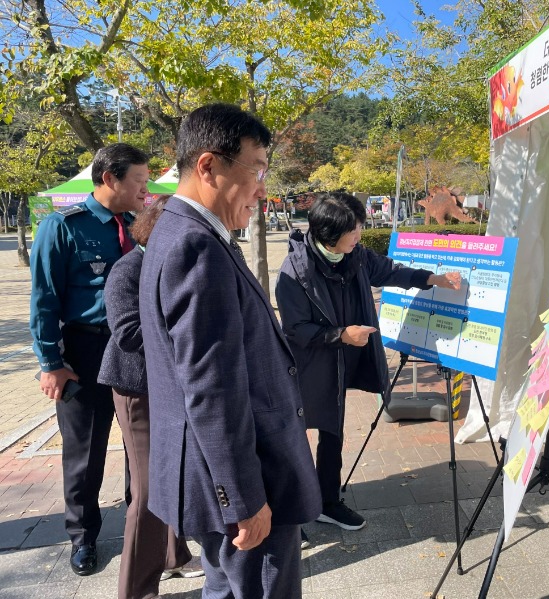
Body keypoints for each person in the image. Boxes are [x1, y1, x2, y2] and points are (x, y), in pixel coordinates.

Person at [139, 103, 321, 599]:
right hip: (243, 480)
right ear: (208, 166)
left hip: (217, 473)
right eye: (257, 170)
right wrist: (243, 498)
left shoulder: (177, 230)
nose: (263, 188)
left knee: (225, 588)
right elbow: (211, 388)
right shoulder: (195, 246)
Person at [275, 192, 461, 534]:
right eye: (353, 229)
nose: (359, 234)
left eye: (359, 226)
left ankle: (327, 502)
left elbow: (390, 271)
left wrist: (433, 279)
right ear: (329, 233)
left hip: (342, 358)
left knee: (332, 430)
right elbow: (296, 329)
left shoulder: (356, 256)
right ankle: (293, 512)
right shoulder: (296, 270)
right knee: (296, 435)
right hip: (307, 363)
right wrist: (341, 335)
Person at [29, 143, 149, 576]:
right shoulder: (63, 227)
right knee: (84, 453)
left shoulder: (138, 226)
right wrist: (50, 363)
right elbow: (44, 300)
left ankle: (142, 530)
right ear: (110, 178)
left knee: (141, 448)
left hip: (134, 350)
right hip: (84, 350)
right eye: (139, 181)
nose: (146, 190)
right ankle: (83, 538)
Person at [97, 197, 203, 599]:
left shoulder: (175, 265)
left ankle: (174, 555)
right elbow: (128, 333)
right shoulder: (128, 269)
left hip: (171, 385)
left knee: (171, 475)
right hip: (136, 387)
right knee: (146, 489)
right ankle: (137, 589)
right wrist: (191, 330)